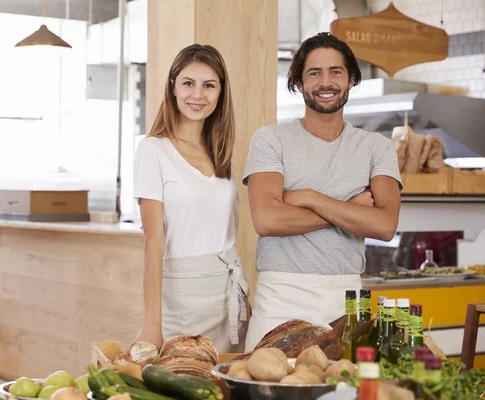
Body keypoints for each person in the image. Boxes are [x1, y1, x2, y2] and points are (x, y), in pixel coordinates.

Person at [243, 32, 403, 351]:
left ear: (352, 79)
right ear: (299, 83)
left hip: (346, 300)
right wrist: (350, 210)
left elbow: (384, 226)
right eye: (314, 73)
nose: (325, 82)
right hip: (280, 294)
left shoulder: (378, 148)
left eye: (336, 72)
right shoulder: (270, 140)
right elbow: (267, 220)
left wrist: (309, 198)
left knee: (340, 393)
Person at [133, 44, 249, 353]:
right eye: (188, 83)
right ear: (172, 87)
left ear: (221, 93)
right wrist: (151, 325)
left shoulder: (222, 156)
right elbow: (153, 246)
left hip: (227, 301)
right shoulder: (153, 151)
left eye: (209, 85)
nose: (197, 94)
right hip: (181, 301)